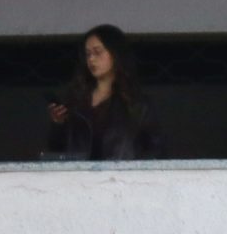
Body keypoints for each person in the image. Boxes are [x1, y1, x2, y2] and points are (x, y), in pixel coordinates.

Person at [43, 24, 150, 161]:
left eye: (97, 52)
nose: (91, 59)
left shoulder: (137, 104)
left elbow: (154, 150)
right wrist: (58, 124)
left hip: (120, 179)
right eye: (88, 54)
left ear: (115, 54)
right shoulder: (75, 100)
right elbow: (56, 151)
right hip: (79, 178)